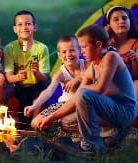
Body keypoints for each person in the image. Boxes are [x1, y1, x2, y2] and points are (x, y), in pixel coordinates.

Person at [36, 24, 138, 153]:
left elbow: (100, 88)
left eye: (83, 47)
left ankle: (93, 147)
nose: (82, 51)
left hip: (124, 111)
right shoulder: (92, 68)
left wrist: (80, 85)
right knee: (66, 121)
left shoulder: (111, 57)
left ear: (98, 45)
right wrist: (51, 118)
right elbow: (75, 99)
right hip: (107, 112)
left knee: (84, 93)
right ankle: (110, 136)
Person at [24, 35, 89, 131]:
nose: (68, 54)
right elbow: (48, 91)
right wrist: (34, 106)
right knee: (35, 123)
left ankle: (65, 127)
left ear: (79, 51)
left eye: (72, 50)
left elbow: (98, 76)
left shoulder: (87, 65)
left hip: (83, 104)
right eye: (64, 52)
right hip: (64, 104)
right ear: (59, 55)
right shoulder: (60, 73)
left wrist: (78, 78)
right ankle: (56, 127)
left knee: (70, 119)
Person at [4, 10, 50, 128]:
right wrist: (18, 77)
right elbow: (8, 77)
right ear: (14, 29)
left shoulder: (41, 48)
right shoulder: (10, 49)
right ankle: (15, 123)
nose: (24, 27)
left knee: (41, 94)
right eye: (20, 24)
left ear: (34, 27)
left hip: (35, 87)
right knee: (11, 93)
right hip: (18, 87)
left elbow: (44, 78)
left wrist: (36, 72)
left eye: (28, 24)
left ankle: (35, 124)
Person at [102, 6, 138, 98]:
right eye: (116, 19)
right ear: (108, 25)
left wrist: (135, 61)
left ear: (130, 21)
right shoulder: (103, 45)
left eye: (125, 18)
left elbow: (135, 76)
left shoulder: (136, 43)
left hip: (132, 86)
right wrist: (104, 37)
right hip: (109, 86)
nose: (121, 21)